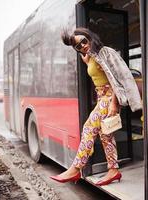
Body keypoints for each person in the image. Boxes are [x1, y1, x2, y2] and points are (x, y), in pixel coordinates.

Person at [50, 27, 142, 186]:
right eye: (78, 46)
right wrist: (87, 61)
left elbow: (117, 78)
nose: (83, 46)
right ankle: (113, 170)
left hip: (109, 97)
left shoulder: (105, 52)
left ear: (90, 37)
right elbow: (96, 72)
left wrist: (114, 102)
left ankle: (76, 167)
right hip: (101, 98)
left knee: (88, 127)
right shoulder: (91, 57)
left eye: (84, 42)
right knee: (106, 135)